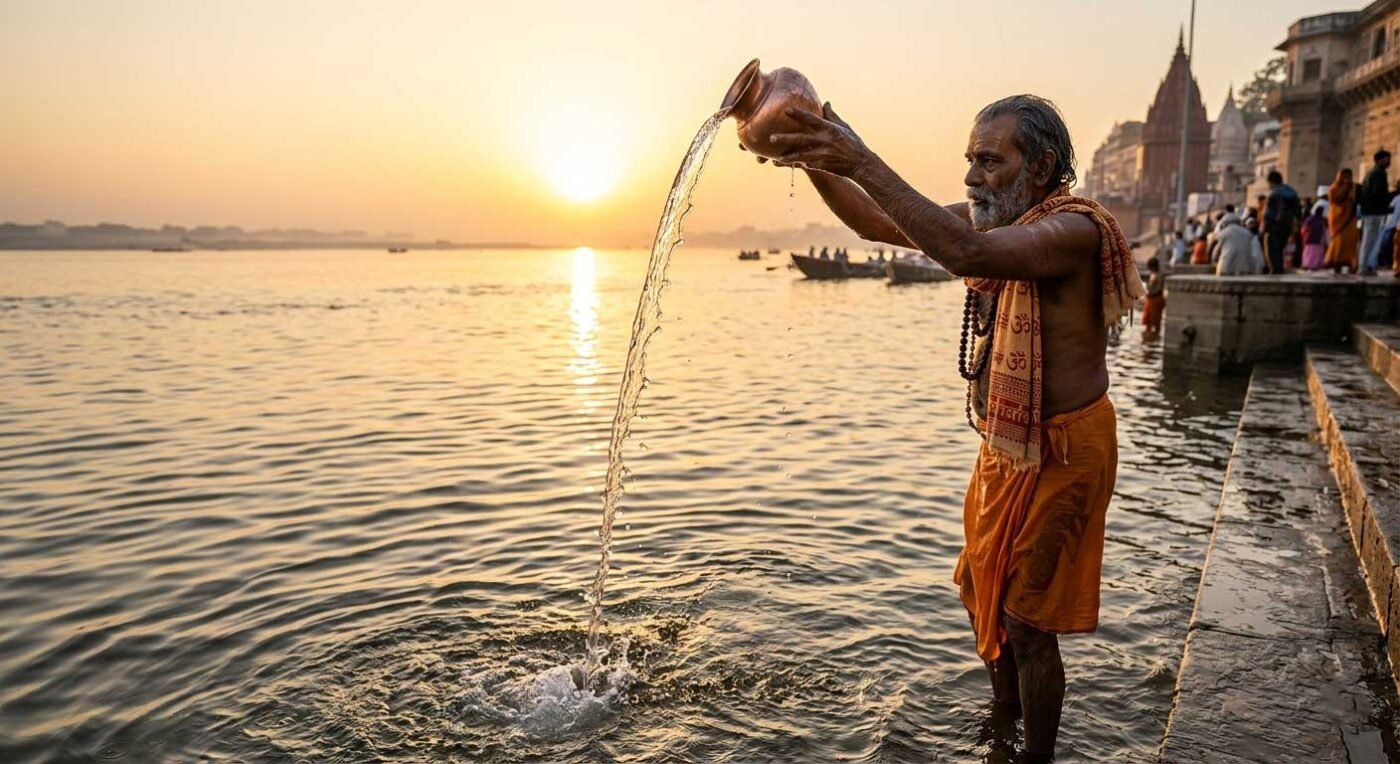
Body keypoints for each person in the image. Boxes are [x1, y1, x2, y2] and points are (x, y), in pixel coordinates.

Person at [763, 94, 1142, 762]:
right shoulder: (1001, 222)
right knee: (982, 595)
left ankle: (1036, 758)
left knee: (1027, 622)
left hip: (1065, 448)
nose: (973, 176)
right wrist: (816, 158)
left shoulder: (1074, 231)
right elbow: (878, 222)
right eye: (970, 160)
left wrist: (860, 154)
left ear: (1043, 164)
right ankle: (1001, 723)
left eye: (990, 161)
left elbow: (963, 250)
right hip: (1006, 444)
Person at [1359, 149, 1392, 275]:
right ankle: (1364, 266)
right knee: (1370, 239)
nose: (1389, 162)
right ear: (1380, 160)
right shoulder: (1378, 174)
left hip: (1370, 210)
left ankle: (1365, 265)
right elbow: (1378, 193)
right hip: (1374, 211)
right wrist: (1387, 204)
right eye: (1387, 159)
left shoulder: (1373, 173)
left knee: (1369, 239)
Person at [1263, 170, 1302, 274]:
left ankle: (1276, 270)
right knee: (1280, 247)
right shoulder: (1292, 192)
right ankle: (1279, 268)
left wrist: (1264, 227)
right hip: (1288, 225)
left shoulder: (1274, 194)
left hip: (1275, 226)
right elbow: (1298, 210)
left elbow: (1269, 214)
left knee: (1273, 249)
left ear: (1271, 182)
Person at [1325, 168, 1360, 274]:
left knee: (1351, 241)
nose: (1347, 179)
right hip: (1337, 219)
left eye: (1348, 176)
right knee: (1338, 242)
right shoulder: (1333, 188)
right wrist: (1345, 187)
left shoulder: (1353, 188)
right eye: (1344, 176)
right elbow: (1336, 199)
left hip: (1350, 218)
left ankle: (1352, 264)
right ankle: (1336, 263)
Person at [1142, 256, 1165, 338]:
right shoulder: (1155, 274)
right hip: (1151, 299)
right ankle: (1151, 339)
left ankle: (1154, 338)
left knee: (1155, 322)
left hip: (1156, 299)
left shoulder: (1157, 276)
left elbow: (1152, 289)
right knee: (1148, 321)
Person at [1301, 206, 1329, 271]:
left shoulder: (1309, 219)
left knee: (1309, 252)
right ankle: (1315, 265)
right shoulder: (1321, 220)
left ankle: (1307, 264)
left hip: (1309, 239)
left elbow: (1304, 229)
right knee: (1316, 252)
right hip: (1317, 240)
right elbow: (1324, 230)